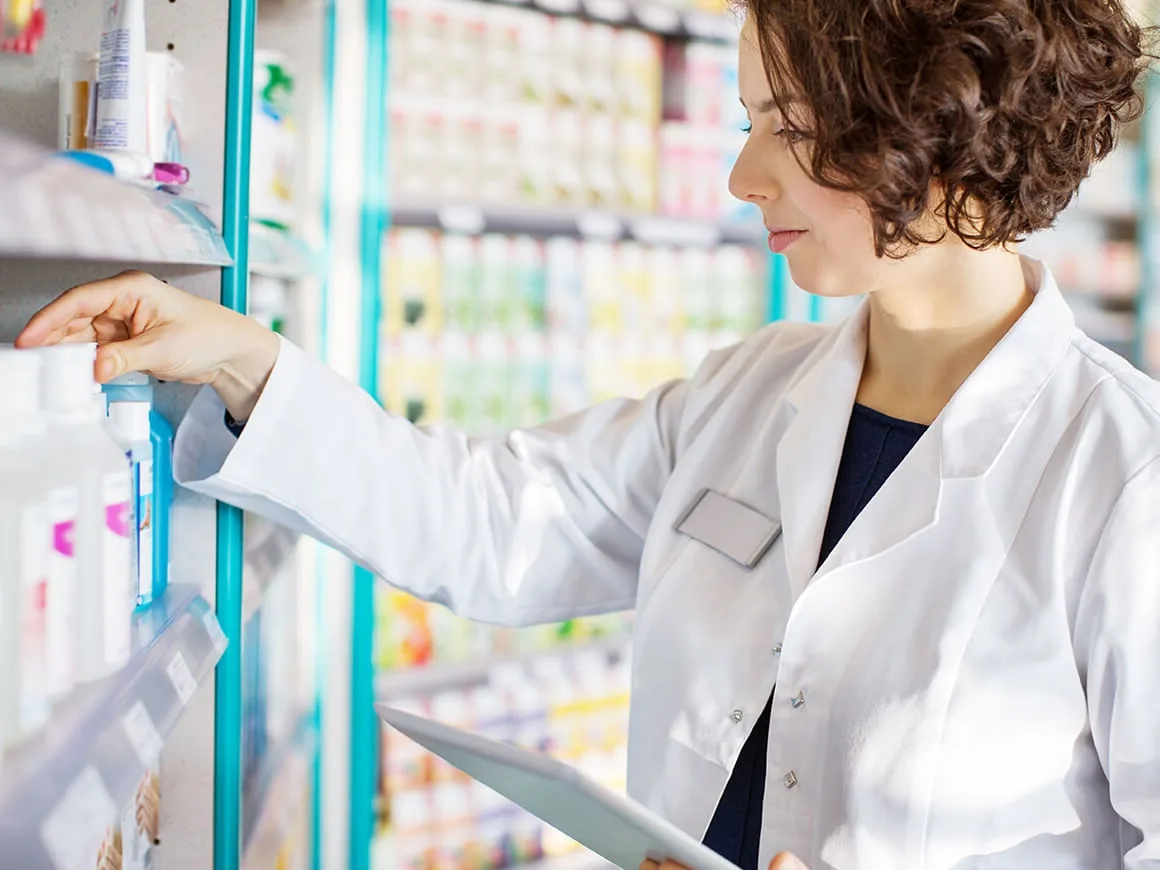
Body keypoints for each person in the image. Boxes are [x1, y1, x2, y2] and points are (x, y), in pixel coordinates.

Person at [17, 1, 1160, 867]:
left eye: (788, 128)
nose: (739, 171)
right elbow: (489, 520)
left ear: (937, 132)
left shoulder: (1121, 475)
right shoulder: (752, 396)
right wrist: (236, 357)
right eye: (746, 123)